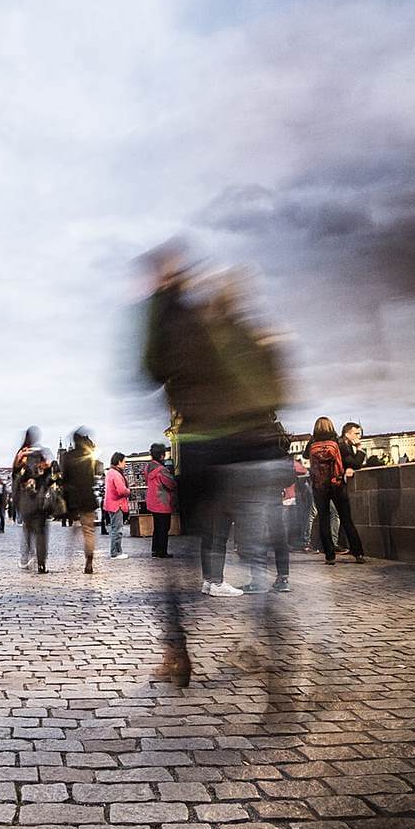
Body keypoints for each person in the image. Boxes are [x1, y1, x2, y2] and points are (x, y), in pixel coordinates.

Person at [143, 247, 294, 685]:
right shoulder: (257, 337)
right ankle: (273, 648)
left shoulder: (195, 336)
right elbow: (279, 394)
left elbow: (152, 367)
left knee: (182, 559)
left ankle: (177, 652)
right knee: (256, 557)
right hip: (255, 452)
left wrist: (165, 295)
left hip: (206, 453)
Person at [305, 418, 365, 566]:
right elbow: (355, 464)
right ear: (331, 426)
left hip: (319, 487)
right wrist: (359, 449)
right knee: (346, 520)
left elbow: (306, 455)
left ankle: (330, 556)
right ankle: (358, 553)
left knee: (323, 521)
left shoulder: (312, 443)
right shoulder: (338, 443)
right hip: (337, 485)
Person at [61, 428, 99, 573]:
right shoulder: (88, 456)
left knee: (75, 528)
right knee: (89, 531)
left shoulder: (67, 457)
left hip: (73, 500)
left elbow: (64, 480)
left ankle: (69, 555)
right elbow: (92, 477)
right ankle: (89, 560)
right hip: (87, 498)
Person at [17, 445, 57, 573]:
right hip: (40, 508)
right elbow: (53, 479)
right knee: (41, 537)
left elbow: (18, 485)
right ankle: (41, 564)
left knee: (27, 533)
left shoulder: (25, 472)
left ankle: (26, 557)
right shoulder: (44, 471)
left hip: (27, 508)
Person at [145, 443, 176, 558]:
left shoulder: (148, 468)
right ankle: (162, 552)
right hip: (162, 502)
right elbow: (171, 484)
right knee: (164, 528)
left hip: (152, 502)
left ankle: (155, 550)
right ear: (162, 456)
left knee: (157, 527)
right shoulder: (162, 470)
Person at [104, 452, 131, 559]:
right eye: (124, 462)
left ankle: (117, 551)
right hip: (116, 505)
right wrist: (129, 491)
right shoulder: (116, 474)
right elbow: (121, 491)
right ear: (119, 462)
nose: (125, 464)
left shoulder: (111, 472)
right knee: (117, 529)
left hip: (111, 504)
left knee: (115, 528)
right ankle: (115, 553)